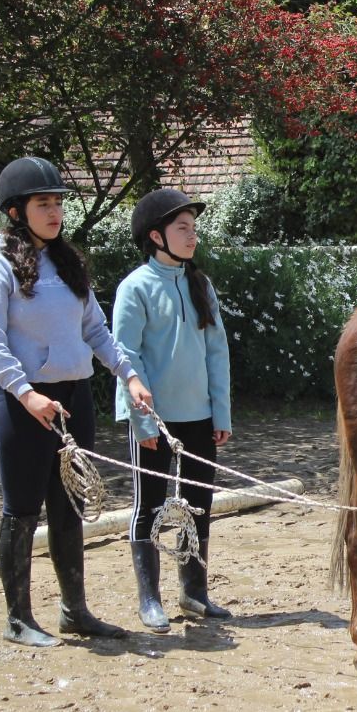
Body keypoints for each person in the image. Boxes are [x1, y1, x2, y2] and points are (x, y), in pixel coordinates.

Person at [0, 156, 154, 647]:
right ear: (15, 211)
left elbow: (95, 328)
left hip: (74, 399)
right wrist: (27, 394)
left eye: (57, 203)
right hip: (23, 404)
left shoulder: (67, 262)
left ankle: (75, 610)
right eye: (43, 203)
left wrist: (129, 375)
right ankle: (18, 618)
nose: (54, 212)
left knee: (70, 507)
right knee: (22, 509)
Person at [113, 188, 234, 630]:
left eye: (194, 229)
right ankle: (150, 598)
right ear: (156, 236)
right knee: (149, 505)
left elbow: (216, 351)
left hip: (199, 416)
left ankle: (194, 591)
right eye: (182, 228)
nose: (192, 237)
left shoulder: (200, 285)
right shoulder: (135, 288)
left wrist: (220, 413)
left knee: (198, 503)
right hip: (155, 421)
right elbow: (126, 355)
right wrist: (141, 418)